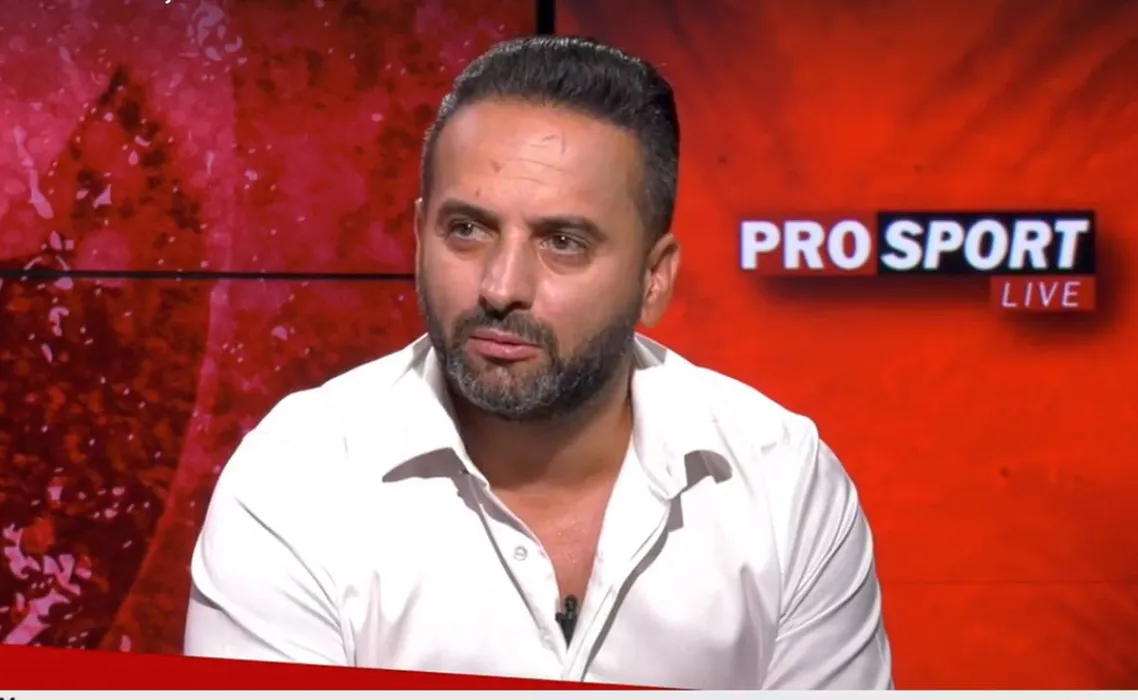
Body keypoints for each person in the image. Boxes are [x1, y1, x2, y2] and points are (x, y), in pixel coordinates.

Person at [184, 35, 893, 690]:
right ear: (418, 236)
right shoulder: (299, 480)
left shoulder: (782, 482)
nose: (501, 288)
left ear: (654, 279)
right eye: (467, 230)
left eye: (563, 243)